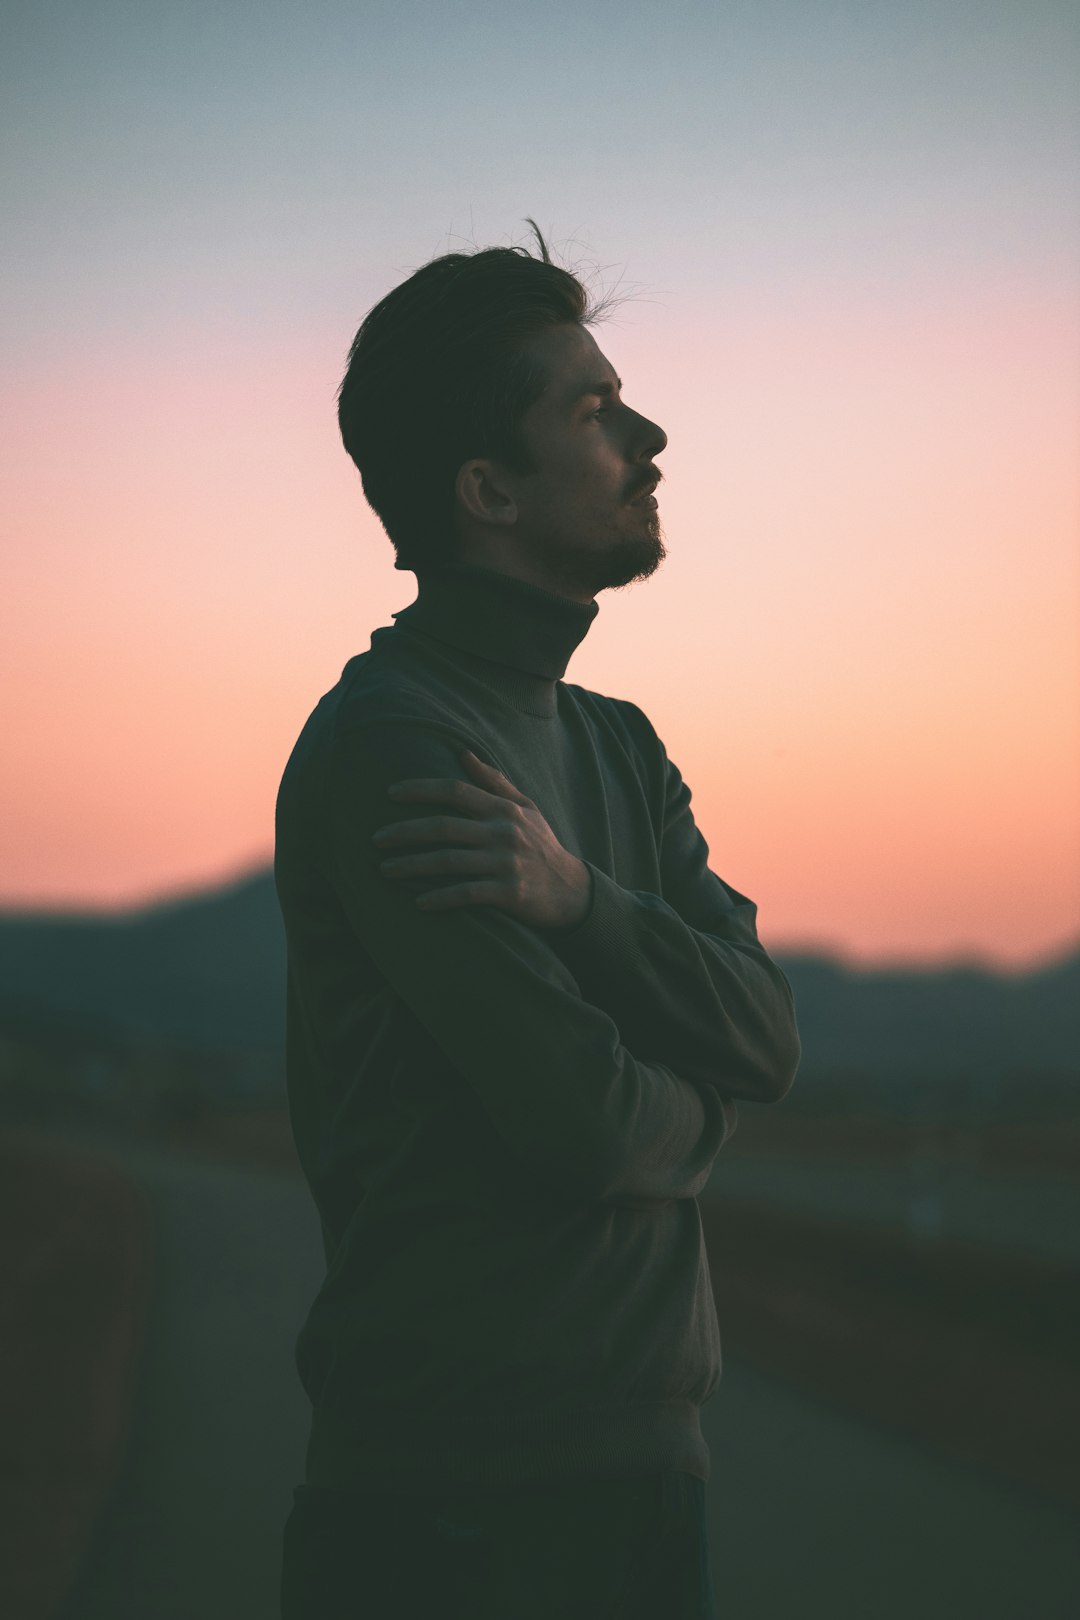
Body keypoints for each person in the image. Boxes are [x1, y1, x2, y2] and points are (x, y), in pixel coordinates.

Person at [274, 221, 801, 1619]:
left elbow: (765, 1030)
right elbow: (585, 1122)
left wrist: (577, 898)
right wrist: (712, 1119)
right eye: (595, 410)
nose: (651, 435)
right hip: (450, 1519)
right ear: (487, 492)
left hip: (643, 1488)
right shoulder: (399, 749)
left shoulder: (621, 748)